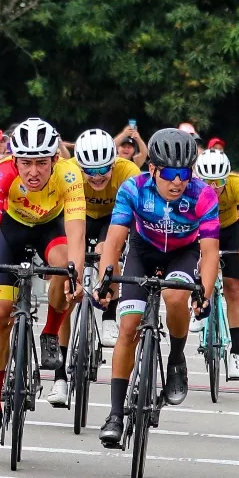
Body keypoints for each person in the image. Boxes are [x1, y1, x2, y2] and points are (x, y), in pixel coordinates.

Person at [0, 118, 86, 443]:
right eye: (27, 163)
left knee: (63, 266)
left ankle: (49, 332)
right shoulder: (1, 173)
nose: (34, 171)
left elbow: (76, 232)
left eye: (41, 163)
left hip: (50, 228)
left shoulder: (70, 176)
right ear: (14, 160)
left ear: (54, 161)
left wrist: (77, 273)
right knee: (0, 314)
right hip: (10, 231)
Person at [96, 129, 220, 446]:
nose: (177, 182)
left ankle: (176, 358)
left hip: (183, 252)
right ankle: (114, 414)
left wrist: (203, 293)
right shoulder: (133, 189)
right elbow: (114, 240)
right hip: (143, 250)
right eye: (169, 174)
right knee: (128, 327)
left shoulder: (204, 194)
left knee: (176, 296)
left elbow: (209, 253)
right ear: (153, 169)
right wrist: (105, 279)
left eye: (184, 173)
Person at [38, 129, 142, 408]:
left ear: (114, 163)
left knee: (106, 252)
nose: (97, 177)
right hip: (76, 215)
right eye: (90, 171)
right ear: (79, 166)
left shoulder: (128, 170)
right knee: (65, 287)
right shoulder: (67, 169)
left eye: (103, 171)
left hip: (112, 218)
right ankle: (59, 377)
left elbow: (132, 217)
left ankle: (109, 315)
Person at [193, 149, 239, 378]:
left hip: (229, 229)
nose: (213, 188)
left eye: (219, 182)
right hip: (201, 226)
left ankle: (236, 352)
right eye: (207, 182)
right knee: (194, 263)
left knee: (233, 288)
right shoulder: (190, 186)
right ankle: (198, 304)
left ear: (227, 177)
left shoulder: (238, 185)